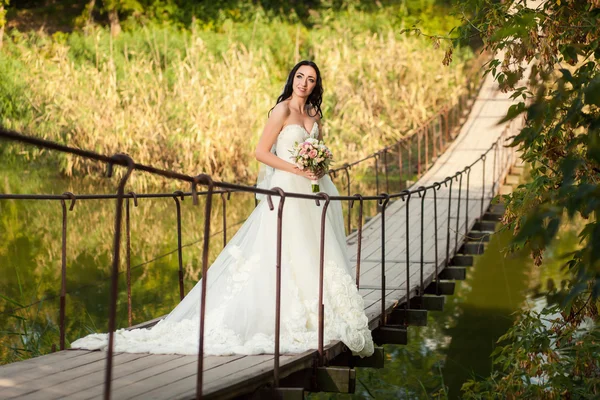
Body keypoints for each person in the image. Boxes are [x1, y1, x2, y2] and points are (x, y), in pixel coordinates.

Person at [71, 60, 375, 358]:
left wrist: (317, 167)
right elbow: (260, 152)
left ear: (316, 85)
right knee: (285, 251)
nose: (303, 83)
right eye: (300, 76)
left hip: (312, 190)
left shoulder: (314, 114)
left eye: (310, 79)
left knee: (314, 249)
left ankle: (320, 312)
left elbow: (318, 151)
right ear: (292, 78)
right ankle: (284, 315)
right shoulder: (282, 110)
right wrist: (297, 169)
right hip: (287, 190)